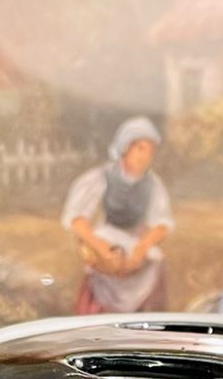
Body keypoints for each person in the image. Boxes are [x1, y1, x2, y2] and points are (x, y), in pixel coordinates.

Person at [62, 117, 174, 313]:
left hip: (135, 242)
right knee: (103, 263)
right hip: (108, 238)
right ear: (125, 148)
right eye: (140, 149)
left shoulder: (153, 185)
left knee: (154, 263)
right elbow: (77, 219)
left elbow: (161, 224)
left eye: (150, 152)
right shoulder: (101, 177)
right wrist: (102, 249)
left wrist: (140, 250)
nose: (144, 157)